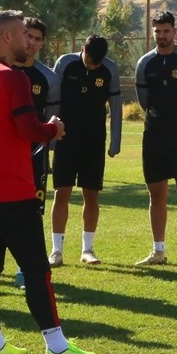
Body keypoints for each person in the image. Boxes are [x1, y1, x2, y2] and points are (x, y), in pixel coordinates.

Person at [0, 9, 94, 354]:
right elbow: (27, 129)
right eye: (22, 35)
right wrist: (52, 129)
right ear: (6, 38)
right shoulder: (11, 78)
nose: (28, 41)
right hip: (11, 193)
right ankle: (58, 348)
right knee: (36, 271)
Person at [134, 11, 177, 267]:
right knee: (156, 194)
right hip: (154, 136)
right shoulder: (145, 63)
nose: (161, 36)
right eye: (157, 31)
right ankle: (158, 251)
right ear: (153, 32)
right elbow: (144, 102)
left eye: (166, 31)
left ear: (175, 31)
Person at [49, 35, 122, 266]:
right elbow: (52, 100)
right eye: (90, 61)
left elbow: (116, 107)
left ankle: (87, 249)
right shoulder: (65, 63)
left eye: (97, 64)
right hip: (66, 139)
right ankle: (56, 251)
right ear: (82, 49)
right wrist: (50, 135)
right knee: (62, 193)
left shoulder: (110, 69)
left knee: (92, 195)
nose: (93, 66)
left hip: (94, 141)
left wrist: (115, 141)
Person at [9, 17, 60, 287]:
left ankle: (25, 269)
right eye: (27, 36)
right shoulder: (3, 71)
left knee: (32, 213)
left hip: (35, 156)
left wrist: (47, 151)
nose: (31, 43)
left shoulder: (48, 78)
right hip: (4, 155)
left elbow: (51, 122)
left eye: (37, 39)